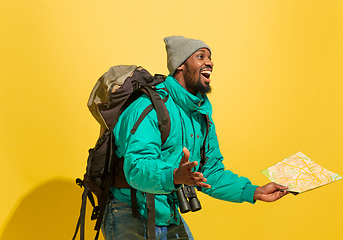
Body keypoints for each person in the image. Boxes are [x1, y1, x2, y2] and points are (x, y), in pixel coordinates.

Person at [101, 36, 288, 240]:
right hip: (129, 211)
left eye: (210, 57)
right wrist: (173, 176)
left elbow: (210, 172)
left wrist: (254, 191)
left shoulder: (200, 116)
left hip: (166, 211)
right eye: (201, 56)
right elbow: (136, 167)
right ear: (180, 65)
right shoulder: (148, 108)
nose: (210, 62)